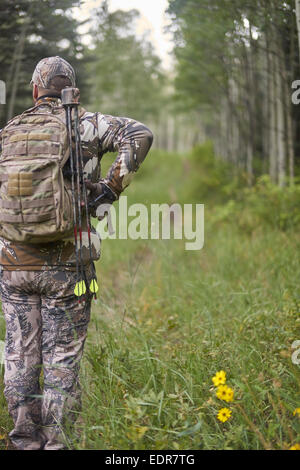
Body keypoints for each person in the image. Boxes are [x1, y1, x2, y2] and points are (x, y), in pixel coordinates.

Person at [0, 56, 153, 450]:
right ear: (71, 89)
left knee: (19, 351)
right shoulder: (85, 125)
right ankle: (57, 442)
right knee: (61, 358)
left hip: (12, 263)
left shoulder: (9, 133)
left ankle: (22, 440)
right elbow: (140, 136)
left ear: (35, 91)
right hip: (68, 265)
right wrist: (109, 190)